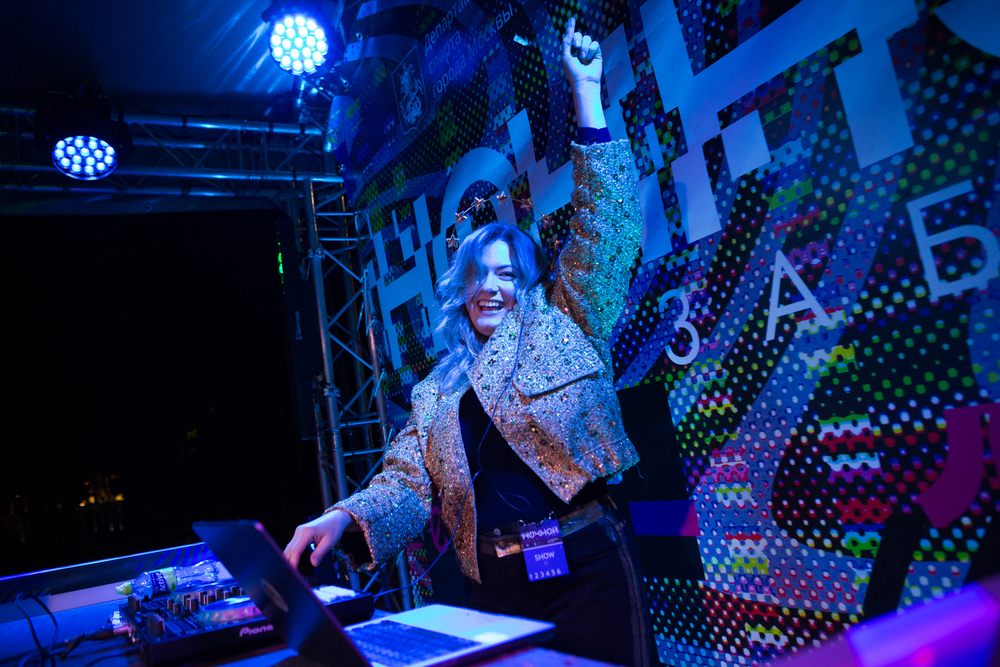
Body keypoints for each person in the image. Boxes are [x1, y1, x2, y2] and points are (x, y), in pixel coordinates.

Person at [285, 18, 651, 667]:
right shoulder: (436, 392)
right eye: (477, 275)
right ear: (460, 291)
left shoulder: (564, 321)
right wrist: (341, 517)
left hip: (586, 565)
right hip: (494, 584)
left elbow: (608, 225)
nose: (490, 288)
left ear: (530, 284)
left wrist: (587, 94)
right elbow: (403, 484)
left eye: (507, 274)